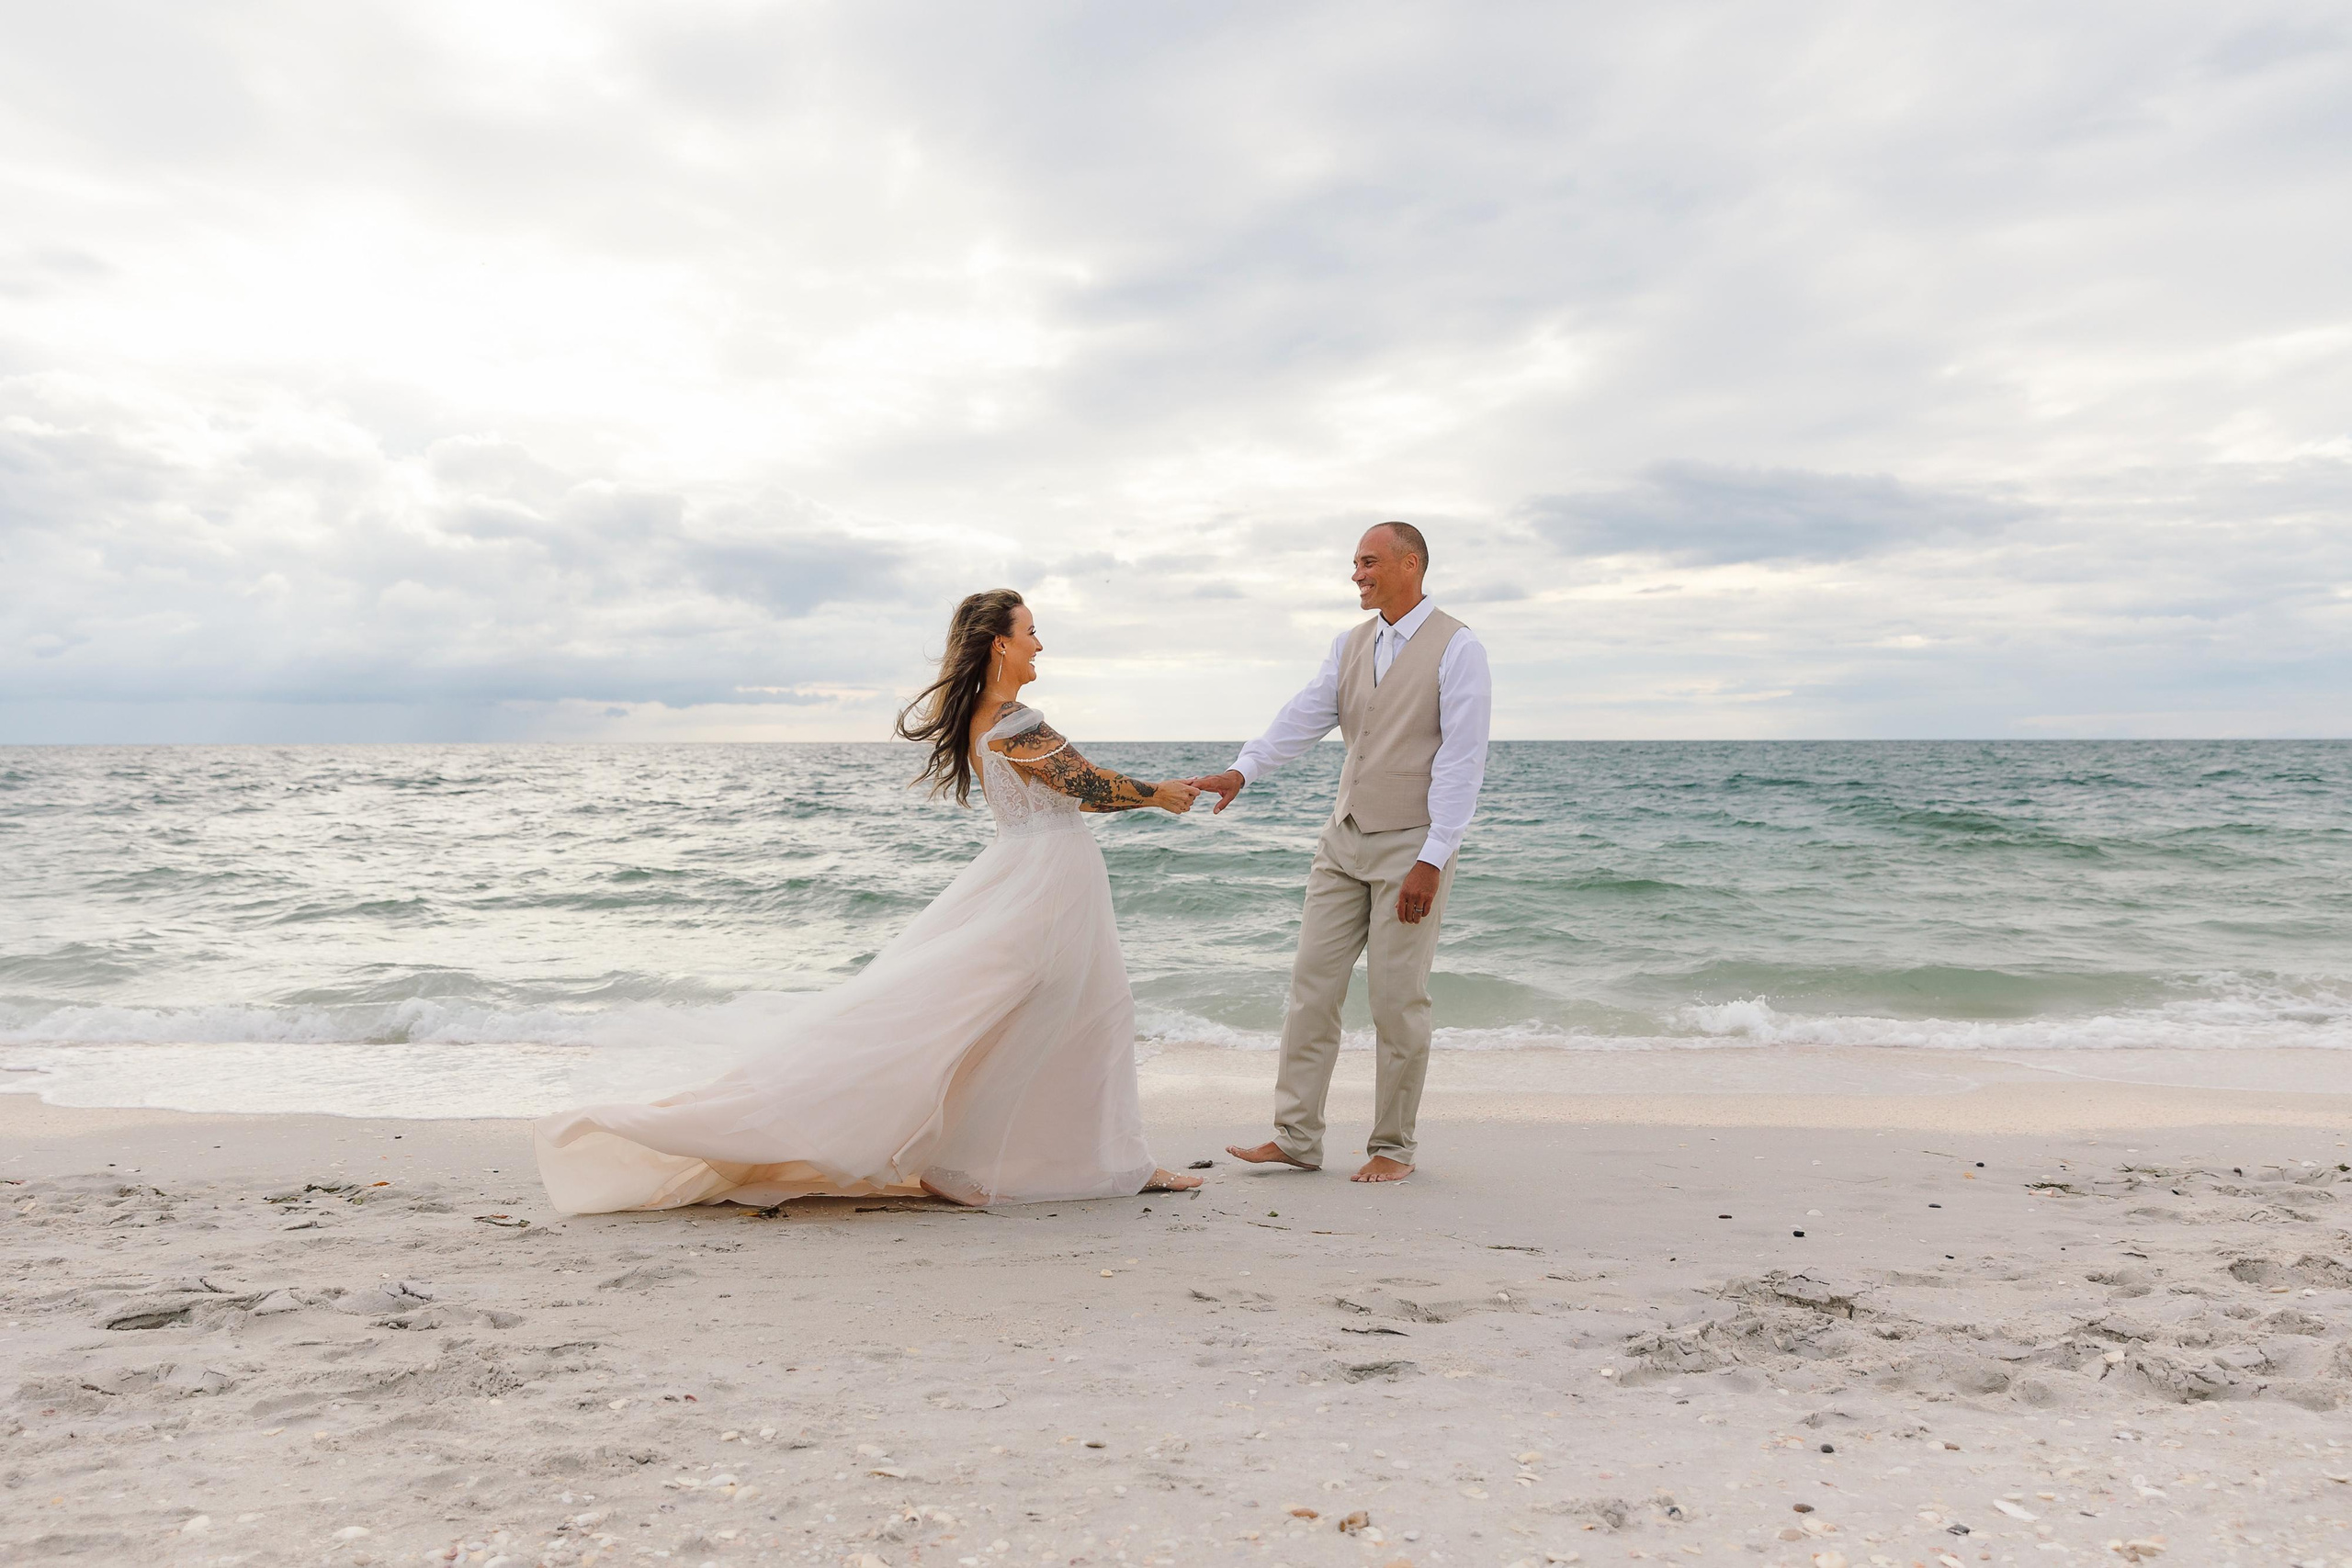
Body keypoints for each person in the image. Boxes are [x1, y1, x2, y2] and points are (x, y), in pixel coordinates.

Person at [534, 589, 1206, 1213]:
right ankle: (1098, 1161)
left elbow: (1074, 788)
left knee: (1026, 1016)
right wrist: (1159, 793)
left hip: (1026, 872)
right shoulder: (1014, 721)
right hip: (1046, 880)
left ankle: (991, 1160)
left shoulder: (982, 719)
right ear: (1001, 644)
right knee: (1091, 1011)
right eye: (1032, 632)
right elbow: (1085, 781)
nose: (1040, 644)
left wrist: (1149, 795)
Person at [1192, 523, 1491, 1183]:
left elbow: (1464, 761)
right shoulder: (1351, 644)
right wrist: (1244, 769)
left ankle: (1394, 1147)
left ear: (1411, 564)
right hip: (1343, 839)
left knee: (1396, 999)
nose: (1357, 573)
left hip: (1412, 845)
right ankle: (1296, 1136)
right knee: (1311, 987)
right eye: (1355, 563)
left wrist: (1434, 857)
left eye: (1369, 561)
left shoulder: (1458, 647)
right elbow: (1305, 714)